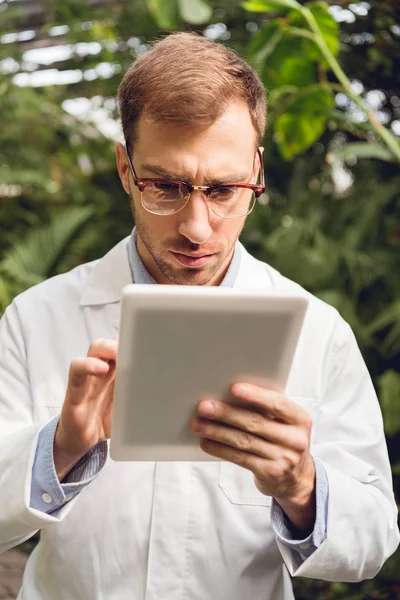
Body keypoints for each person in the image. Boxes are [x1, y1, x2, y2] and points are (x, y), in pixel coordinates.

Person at [0, 32, 398, 600]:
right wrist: (59, 450)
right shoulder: (36, 318)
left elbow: (374, 541)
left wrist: (302, 485)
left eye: (223, 189)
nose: (196, 226)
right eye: (165, 186)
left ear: (257, 171)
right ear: (124, 169)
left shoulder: (320, 332)